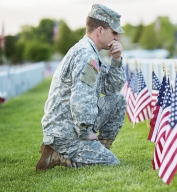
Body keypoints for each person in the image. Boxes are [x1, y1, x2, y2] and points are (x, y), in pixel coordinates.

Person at [36, 4, 127, 170]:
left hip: (71, 123)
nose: (117, 37)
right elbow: (81, 97)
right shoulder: (86, 55)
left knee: (119, 101)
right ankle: (61, 153)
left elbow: (110, 88)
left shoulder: (88, 51)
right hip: (65, 131)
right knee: (112, 163)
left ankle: (97, 151)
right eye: (114, 32)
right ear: (100, 31)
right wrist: (85, 132)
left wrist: (116, 60)